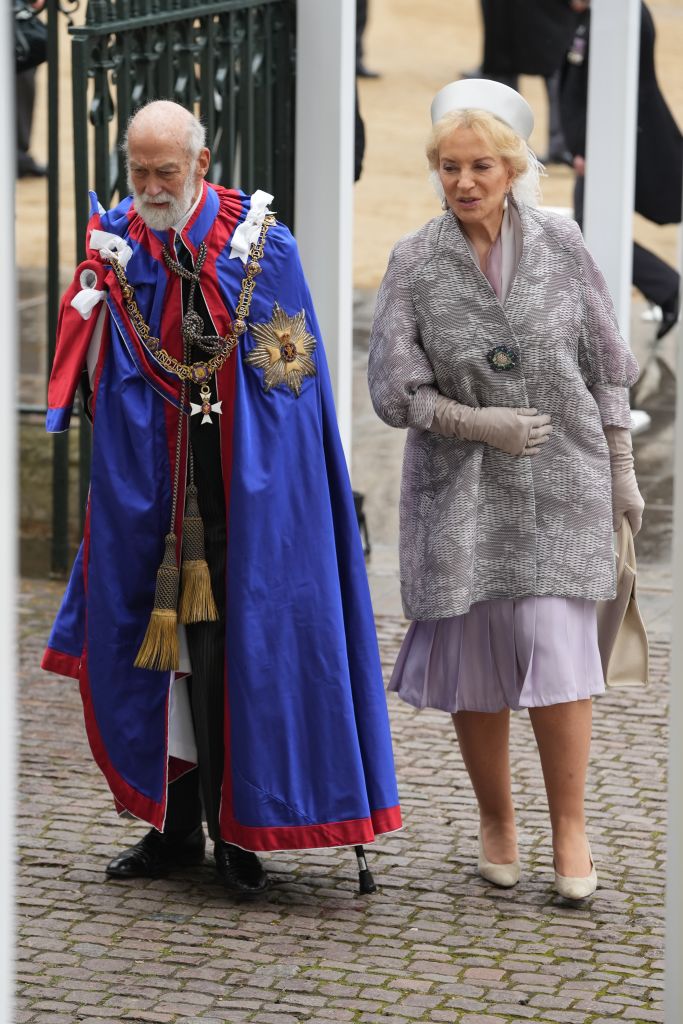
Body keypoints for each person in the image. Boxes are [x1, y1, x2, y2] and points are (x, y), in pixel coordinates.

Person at [42, 100, 401, 896]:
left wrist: (268, 489)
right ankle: (170, 834)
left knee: (238, 665)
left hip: (243, 497)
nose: (149, 185)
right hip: (152, 500)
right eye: (138, 170)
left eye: (165, 170)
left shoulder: (262, 249)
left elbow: (291, 384)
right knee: (154, 663)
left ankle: (238, 833)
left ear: (200, 164)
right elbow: (98, 376)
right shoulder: (120, 247)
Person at [368, 79, 644, 900]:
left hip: (565, 486)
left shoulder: (561, 244)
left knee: (560, 663)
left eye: (479, 165)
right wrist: (473, 423)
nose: (462, 182)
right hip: (460, 497)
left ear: (514, 166)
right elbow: (393, 392)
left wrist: (622, 467)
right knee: (479, 668)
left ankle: (569, 828)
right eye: (448, 167)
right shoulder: (415, 261)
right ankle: (496, 819)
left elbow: (608, 363)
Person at [560, 0, 681, 339]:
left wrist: (588, 146)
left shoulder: (621, 16)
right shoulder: (593, 15)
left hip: (607, 146)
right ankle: (665, 290)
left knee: (587, 229)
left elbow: (619, 88)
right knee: (587, 229)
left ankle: (668, 288)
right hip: (596, 146)